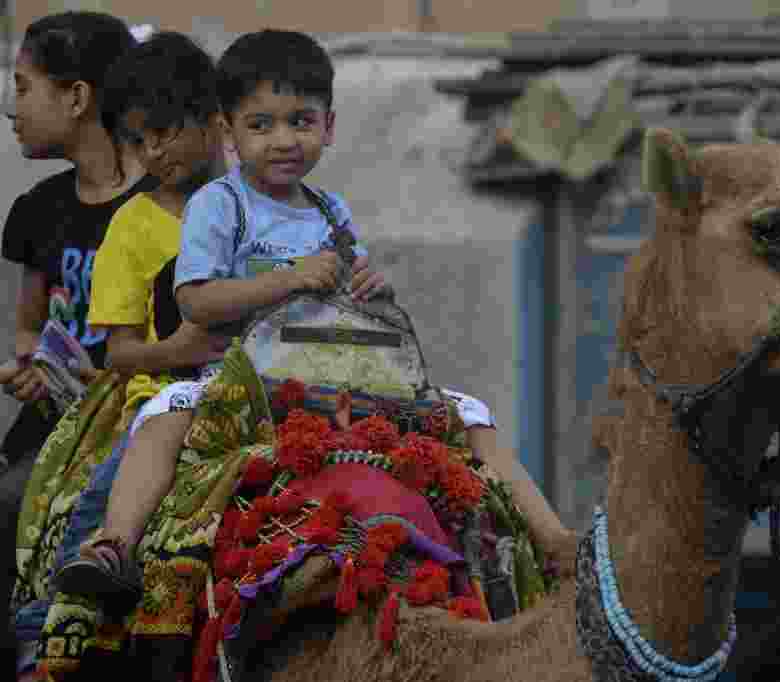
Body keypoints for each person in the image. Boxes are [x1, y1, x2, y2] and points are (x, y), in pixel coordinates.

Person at [57, 28, 571, 609]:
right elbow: (196, 300)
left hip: (343, 380)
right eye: (261, 124)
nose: (283, 140)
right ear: (229, 133)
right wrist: (288, 279)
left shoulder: (332, 209)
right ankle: (114, 542)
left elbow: (353, 297)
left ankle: (552, 538)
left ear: (328, 127)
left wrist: (375, 290)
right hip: (244, 381)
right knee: (163, 412)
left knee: (473, 415)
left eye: (301, 121)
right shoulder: (219, 205)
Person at [0, 11, 154, 675]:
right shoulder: (38, 210)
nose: (13, 108)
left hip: (133, 425)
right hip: (51, 425)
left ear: (76, 96)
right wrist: (31, 364)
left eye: (24, 86)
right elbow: (30, 322)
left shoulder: (165, 206)